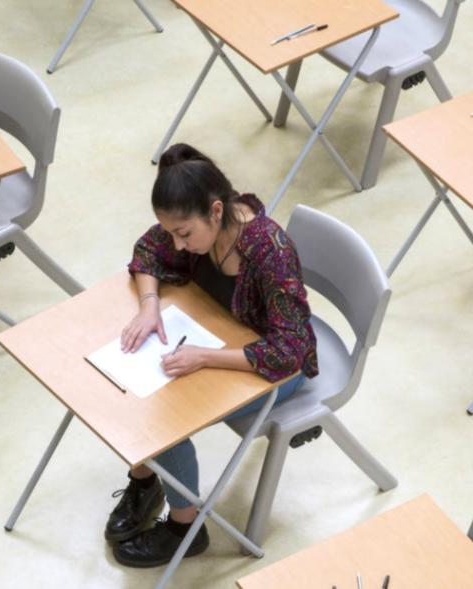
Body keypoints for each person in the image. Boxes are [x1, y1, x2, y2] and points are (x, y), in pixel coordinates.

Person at [108, 143, 318, 567]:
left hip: (276, 368)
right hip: (222, 335)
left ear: (217, 211)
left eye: (184, 234)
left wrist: (205, 357)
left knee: (169, 411)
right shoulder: (197, 227)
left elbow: (289, 351)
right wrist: (149, 304)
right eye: (172, 233)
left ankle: (186, 527)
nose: (178, 245)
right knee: (138, 386)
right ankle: (146, 480)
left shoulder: (268, 250)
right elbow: (148, 250)